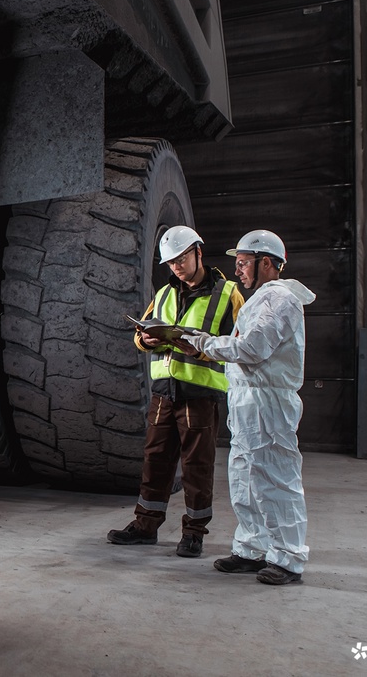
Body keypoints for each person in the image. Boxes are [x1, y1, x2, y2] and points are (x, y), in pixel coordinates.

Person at [179, 229, 315, 585]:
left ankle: (288, 559)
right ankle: (253, 549)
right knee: (245, 478)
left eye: (242, 264)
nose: (238, 271)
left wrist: (204, 344)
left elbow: (254, 348)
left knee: (275, 479)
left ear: (265, 263)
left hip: (267, 402)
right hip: (248, 401)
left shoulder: (279, 299)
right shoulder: (261, 299)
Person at [108, 226, 243, 558]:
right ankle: (145, 525)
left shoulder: (228, 294)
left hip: (200, 395)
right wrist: (146, 339)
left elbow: (240, 346)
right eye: (170, 263)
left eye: (181, 259)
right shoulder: (165, 294)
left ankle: (194, 533)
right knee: (156, 460)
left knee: (197, 466)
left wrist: (197, 349)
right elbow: (140, 335)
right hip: (163, 395)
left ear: (198, 252)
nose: (176, 267)